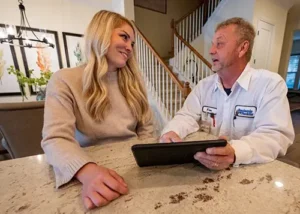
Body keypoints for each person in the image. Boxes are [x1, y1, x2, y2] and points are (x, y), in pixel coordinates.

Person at [42, 10, 154, 210]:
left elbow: (146, 131)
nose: (129, 47)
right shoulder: (64, 80)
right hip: (86, 171)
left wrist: (149, 165)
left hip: (136, 171)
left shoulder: (135, 84)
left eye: (132, 43)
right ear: (101, 34)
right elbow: (55, 138)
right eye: (124, 37)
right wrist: (87, 171)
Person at [160, 17, 295, 170]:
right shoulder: (203, 86)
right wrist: (172, 131)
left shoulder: (270, 85)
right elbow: (186, 116)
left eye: (220, 44)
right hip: (205, 171)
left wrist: (235, 152)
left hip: (250, 176)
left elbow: (276, 136)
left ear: (242, 48)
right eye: (212, 44)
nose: (211, 51)